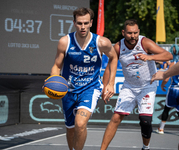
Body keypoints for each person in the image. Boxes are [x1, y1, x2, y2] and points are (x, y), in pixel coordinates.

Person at [48, 7, 118, 150]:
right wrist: (52, 80)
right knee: (70, 128)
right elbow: (56, 66)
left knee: (80, 123)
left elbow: (113, 57)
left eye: (86, 23)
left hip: (90, 88)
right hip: (68, 89)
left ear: (91, 23)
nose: (83, 27)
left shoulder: (101, 42)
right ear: (74, 23)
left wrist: (110, 83)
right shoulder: (65, 42)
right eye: (79, 23)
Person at [100, 19, 173, 150]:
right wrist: (105, 86)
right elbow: (109, 68)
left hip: (147, 86)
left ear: (138, 32)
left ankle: (145, 147)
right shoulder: (118, 47)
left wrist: (150, 57)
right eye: (129, 33)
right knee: (116, 117)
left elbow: (168, 55)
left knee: (145, 120)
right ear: (123, 33)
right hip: (129, 86)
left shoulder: (145, 43)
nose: (133, 36)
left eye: (135, 33)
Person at [154, 60, 179, 134]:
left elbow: (166, 77)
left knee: (167, 108)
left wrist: (162, 85)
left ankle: (161, 128)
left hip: (174, 89)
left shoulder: (173, 64)